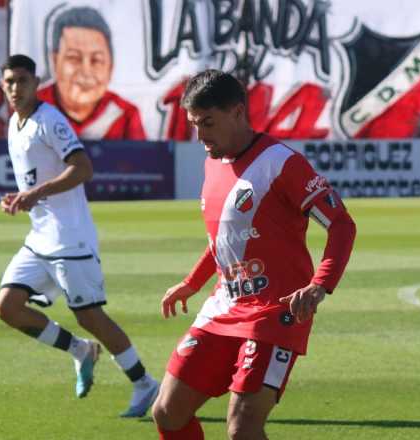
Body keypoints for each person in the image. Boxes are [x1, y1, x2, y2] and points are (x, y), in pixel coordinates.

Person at [150, 69, 357, 440]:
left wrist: (319, 286)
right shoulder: (213, 162)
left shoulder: (281, 163)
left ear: (238, 112)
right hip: (224, 307)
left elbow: (341, 224)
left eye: (208, 123)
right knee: (168, 412)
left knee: (243, 428)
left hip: (276, 312)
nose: (200, 136)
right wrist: (191, 283)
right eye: (195, 124)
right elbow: (225, 239)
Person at [0, 54, 159, 418]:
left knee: (90, 316)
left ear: (36, 82)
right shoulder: (15, 124)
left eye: (22, 80)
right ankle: (80, 351)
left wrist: (34, 194)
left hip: (70, 239)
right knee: (7, 307)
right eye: (9, 81)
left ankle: (145, 383)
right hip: (40, 238)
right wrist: (22, 196)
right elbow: (36, 179)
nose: (15, 88)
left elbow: (83, 168)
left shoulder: (50, 120)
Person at [37, 6, 146, 140]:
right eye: (74, 58)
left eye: (96, 60)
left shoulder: (126, 115)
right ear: (54, 61)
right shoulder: (30, 109)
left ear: (110, 67)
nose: (86, 72)